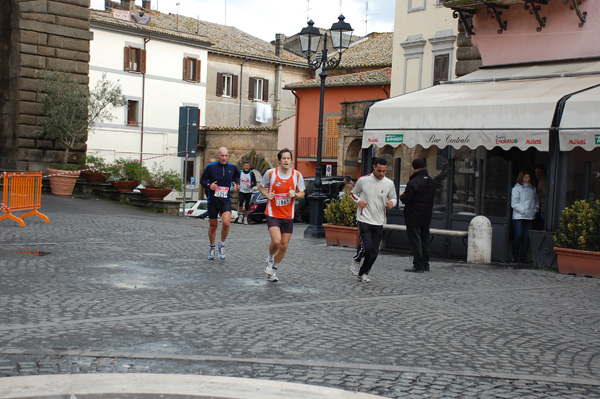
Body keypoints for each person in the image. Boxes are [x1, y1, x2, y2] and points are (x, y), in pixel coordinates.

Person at [259, 148, 305, 282]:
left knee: (284, 245)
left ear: (291, 161)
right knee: (277, 241)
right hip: (273, 213)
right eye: (283, 158)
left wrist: (295, 194)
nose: (286, 161)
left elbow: (302, 193)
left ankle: (274, 269)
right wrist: (267, 195)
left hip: (288, 215)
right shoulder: (271, 173)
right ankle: (270, 258)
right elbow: (261, 186)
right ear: (279, 161)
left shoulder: (297, 175)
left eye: (288, 158)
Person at [349, 158, 397, 282]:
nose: (381, 174)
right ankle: (357, 259)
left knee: (374, 252)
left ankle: (363, 273)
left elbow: (394, 198)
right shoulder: (363, 180)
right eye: (379, 170)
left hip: (379, 220)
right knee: (368, 246)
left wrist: (391, 203)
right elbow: (353, 193)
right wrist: (359, 201)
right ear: (374, 167)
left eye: (384, 171)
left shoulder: (389, 183)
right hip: (364, 218)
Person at [200, 147, 239, 260]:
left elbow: (236, 177)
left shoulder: (232, 167)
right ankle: (212, 247)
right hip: (213, 199)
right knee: (213, 226)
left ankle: (221, 244)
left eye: (226, 156)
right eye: (222, 156)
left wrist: (235, 184)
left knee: (226, 223)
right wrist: (209, 186)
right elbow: (202, 180)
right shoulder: (210, 167)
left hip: (225, 199)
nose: (224, 158)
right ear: (218, 155)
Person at [400, 158, 436, 273]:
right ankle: (426, 264)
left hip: (413, 215)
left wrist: (402, 196)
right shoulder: (431, 181)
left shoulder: (413, 182)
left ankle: (418, 265)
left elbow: (407, 199)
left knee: (415, 240)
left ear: (413, 168)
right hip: (426, 215)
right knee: (425, 240)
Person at [511, 171, 539, 263]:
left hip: (530, 216)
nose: (528, 179)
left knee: (527, 237)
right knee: (518, 235)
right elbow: (514, 203)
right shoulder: (516, 189)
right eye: (526, 177)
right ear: (521, 178)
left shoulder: (533, 189)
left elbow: (536, 199)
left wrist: (536, 209)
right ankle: (515, 255)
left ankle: (523, 256)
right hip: (519, 216)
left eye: (529, 177)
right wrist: (523, 211)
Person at [534, 165, 547, 229]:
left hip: (545, 206)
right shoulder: (540, 181)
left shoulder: (543, 181)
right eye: (536, 173)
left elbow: (546, 192)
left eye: (538, 173)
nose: (537, 175)